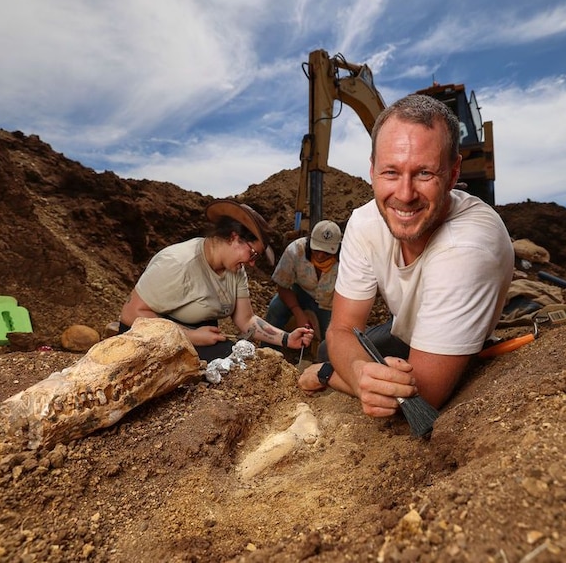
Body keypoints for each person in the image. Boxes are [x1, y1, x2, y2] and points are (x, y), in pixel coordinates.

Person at [298, 94, 513, 418]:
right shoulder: (365, 221)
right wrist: (359, 374)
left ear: (454, 173)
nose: (405, 194)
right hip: (407, 331)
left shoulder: (465, 247)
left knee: (333, 362)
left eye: (424, 173)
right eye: (391, 173)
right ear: (372, 170)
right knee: (331, 348)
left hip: (452, 345)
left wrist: (331, 375)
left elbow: (420, 403)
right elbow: (341, 329)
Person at [119, 199, 314, 361]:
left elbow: (246, 320)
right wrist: (191, 336)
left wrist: (287, 339)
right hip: (150, 338)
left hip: (197, 333)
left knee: (237, 359)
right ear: (234, 238)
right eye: (253, 254)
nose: (252, 264)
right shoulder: (177, 262)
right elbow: (131, 314)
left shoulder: (235, 270)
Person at [264, 219, 342, 349]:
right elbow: (282, 286)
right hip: (300, 293)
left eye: (327, 252)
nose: (321, 256)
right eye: (316, 250)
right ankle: (268, 352)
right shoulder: (295, 251)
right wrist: (298, 313)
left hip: (330, 303)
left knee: (331, 339)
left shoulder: (348, 259)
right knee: (275, 309)